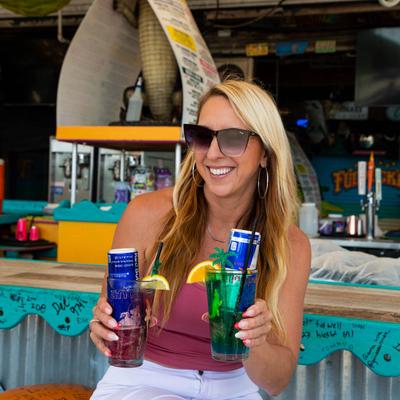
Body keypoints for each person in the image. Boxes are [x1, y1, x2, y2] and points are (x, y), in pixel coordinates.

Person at [89, 79, 311, 399]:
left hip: (235, 387)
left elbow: (276, 382)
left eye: (233, 138)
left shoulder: (289, 245)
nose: (214, 154)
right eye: (202, 137)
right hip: (143, 380)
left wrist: (255, 340)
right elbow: (112, 324)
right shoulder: (147, 214)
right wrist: (104, 328)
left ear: (265, 153)